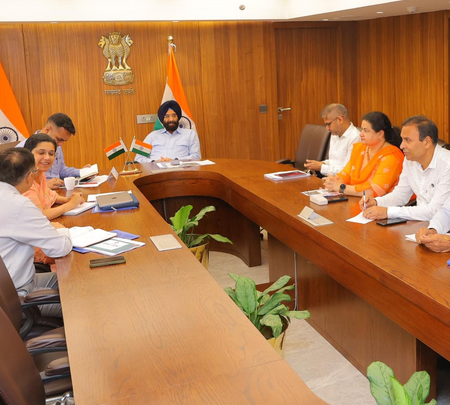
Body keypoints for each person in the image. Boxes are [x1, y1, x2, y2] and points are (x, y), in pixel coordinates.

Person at [0, 148, 72, 316]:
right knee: (86, 302)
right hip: (18, 299)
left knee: (77, 279)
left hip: (12, 285)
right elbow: (59, 248)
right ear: (28, 176)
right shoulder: (19, 205)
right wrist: (63, 231)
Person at [361, 115, 450, 221]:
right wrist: (376, 202)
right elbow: (400, 195)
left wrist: (388, 212)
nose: (401, 146)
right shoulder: (409, 160)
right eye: (402, 140)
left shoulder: (447, 164)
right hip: (419, 223)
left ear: (427, 142)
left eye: (407, 140)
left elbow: (435, 211)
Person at [323, 111, 404, 197]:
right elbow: (345, 174)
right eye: (362, 129)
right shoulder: (361, 149)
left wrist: (342, 188)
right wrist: (333, 182)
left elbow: (376, 191)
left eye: (366, 130)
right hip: (355, 199)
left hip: (379, 203)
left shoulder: (391, 157)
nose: (361, 134)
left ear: (380, 134)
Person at [17, 113, 90, 189]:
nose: (60, 144)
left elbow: (61, 170)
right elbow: (18, 185)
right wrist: (44, 185)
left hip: (57, 190)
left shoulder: (56, 145)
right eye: (59, 139)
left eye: (51, 153)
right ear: (47, 130)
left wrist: (82, 172)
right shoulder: (22, 149)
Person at [23, 133, 85, 220]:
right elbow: (40, 215)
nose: (47, 158)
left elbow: (49, 194)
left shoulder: (40, 173)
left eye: (51, 154)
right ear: (27, 154)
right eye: (41, 153)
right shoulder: (24, 180)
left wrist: (67, 200)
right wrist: (71, 204)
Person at [135, 100, 201, 163]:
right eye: (167, 116)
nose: (171, 119)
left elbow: (196, 156)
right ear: (162, 119)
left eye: (174, 115)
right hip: (156, 169)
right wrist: (154, 162)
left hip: (180, 169)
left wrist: (176, 161)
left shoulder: (190, 134)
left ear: (178, 117)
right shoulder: (152, 136)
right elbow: (138, 158)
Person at [304, 103, 360, 176]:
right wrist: (322, 163)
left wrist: (321, 167)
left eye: (328, 124)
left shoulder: (355, 137)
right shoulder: (335, 134)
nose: (327, 128)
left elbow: (346, 172)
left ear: (340, 119)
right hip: (330, 178)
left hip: (342, 181)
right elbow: (334, 162)